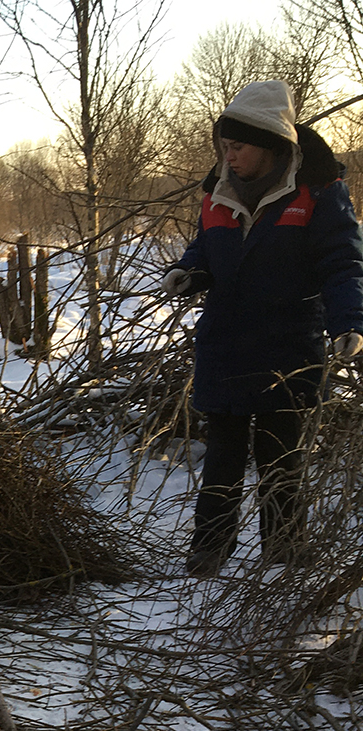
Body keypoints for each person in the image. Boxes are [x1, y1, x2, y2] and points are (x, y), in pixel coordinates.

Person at [162, 80, 363, 577]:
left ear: (272, 146)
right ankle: (208, 554)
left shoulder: (319, 193)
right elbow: (207, 249)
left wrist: (349, 323)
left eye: (239, 147)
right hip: (226, 343)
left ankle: (284, 556)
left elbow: (344, 264)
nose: (229, 157)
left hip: (288, 346)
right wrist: (189, 272)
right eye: (225, 147)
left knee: (282, 462)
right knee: (222, 461)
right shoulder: (218, 192)